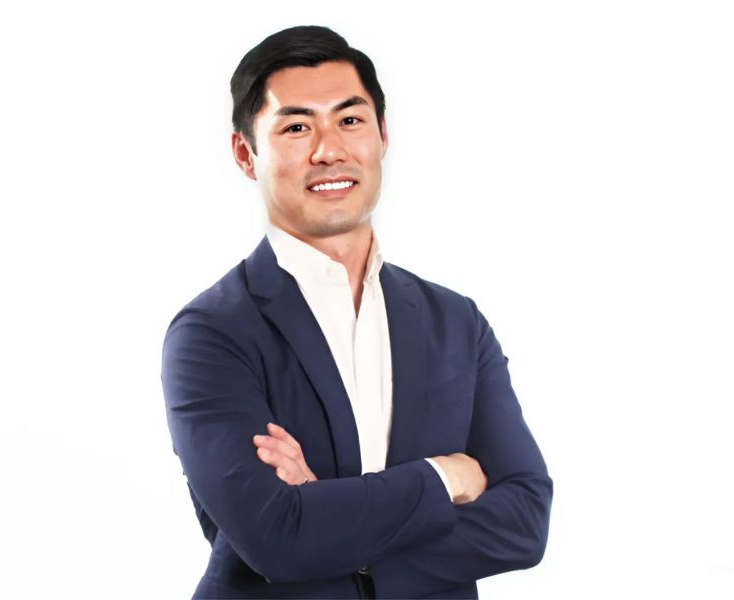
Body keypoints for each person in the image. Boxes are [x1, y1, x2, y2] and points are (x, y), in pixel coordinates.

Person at [161, 25, 553, 599]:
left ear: (383, 135)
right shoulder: (212, 333)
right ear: (246, 154)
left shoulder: (455, 322)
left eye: (350, 120)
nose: (329, 150)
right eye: (296, 127)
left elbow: (524, 521)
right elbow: (277, 538)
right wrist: (448, 476)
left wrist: (334, 527)